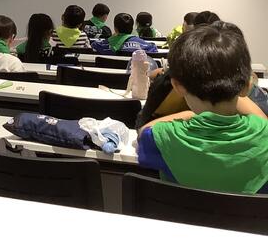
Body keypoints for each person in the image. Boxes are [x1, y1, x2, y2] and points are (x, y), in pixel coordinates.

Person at [137, 23, 268, 194]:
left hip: (180, 212)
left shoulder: (160, 138)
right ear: (247, 87)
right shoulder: (264, 133)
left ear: (177, 86)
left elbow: (143, 133)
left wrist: (188, 114)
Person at [91, 13, 159, 55]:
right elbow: (153, 48)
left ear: (115, 28)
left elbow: (94, 45)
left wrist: (111, 38)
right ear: (132, 28)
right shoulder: (144, 46)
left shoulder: (106, 45)